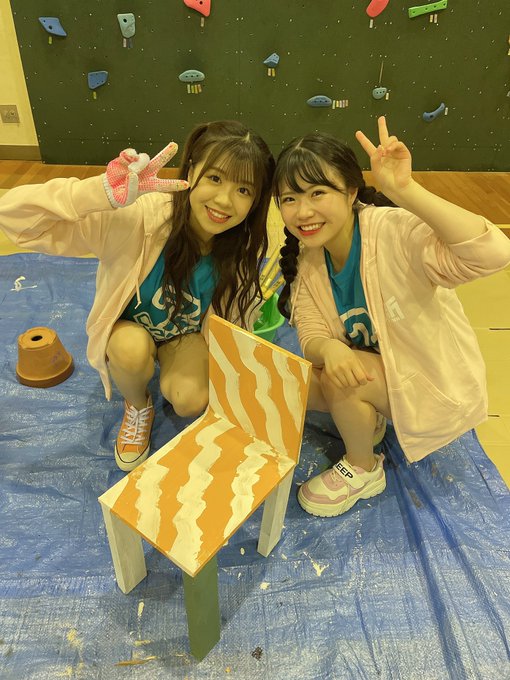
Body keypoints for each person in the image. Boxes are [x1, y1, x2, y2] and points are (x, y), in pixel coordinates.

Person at [0, 120, 275, 471]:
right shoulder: (138, 216)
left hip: (183, 338)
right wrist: (97, 193)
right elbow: (14, 217)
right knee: (129, 352)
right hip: (130, 333)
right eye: (215, 178)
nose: (224, 200)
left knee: (190, 401)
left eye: (244, 190)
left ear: (256, 201)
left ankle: (168, 373)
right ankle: (138, 404)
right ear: (191, 170)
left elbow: (232, 327)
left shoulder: (240, 251)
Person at [274, 115, 510, 518]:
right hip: (382, 373)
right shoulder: (310, 260)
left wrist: (405, 190)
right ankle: (369, 417)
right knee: (287, 384)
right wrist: (329, 348)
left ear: (351, 192)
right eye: (289, 199)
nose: (303, 211)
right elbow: (311, 332)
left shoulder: (393, 232)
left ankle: (364, 468)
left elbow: (493, 254)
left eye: (317, 192)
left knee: (339, 381)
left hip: (428, 381)